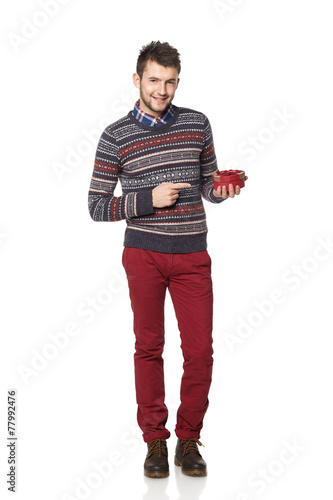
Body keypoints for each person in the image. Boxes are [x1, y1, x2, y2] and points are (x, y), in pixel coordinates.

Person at [88, 41, 247, 478]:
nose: (163, 90)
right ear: (137, 79)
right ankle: (155, 440)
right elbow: (97, 206)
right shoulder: (114, 136)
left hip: (193, 254)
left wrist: (223, 190)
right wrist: (146, 199)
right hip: (143, 255)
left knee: (200, 351)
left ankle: (189, 439)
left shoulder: (197, 124)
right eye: (154, 80)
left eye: (170, 81)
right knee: (149, 347)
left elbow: (207, 187)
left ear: (178, 80)